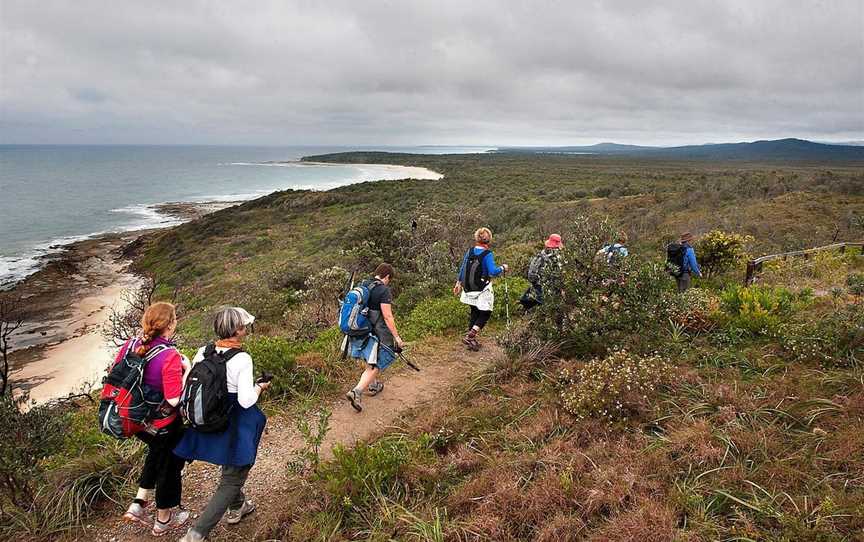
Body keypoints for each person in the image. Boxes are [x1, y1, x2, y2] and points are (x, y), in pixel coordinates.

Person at [176, 307, 268, 542]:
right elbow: (246, 400)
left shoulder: (202, 352)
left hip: (209, 415)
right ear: (237, 330)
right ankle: (196, 534)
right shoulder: (242, 358)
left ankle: (238, 506)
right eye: (243, 326)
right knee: (233, 476)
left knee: (229, 462)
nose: (245, 329)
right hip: (234, 419)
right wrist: (260, 387)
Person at [119, 302, 191, 537]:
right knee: (169, 465)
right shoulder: (169, 355)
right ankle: (163, 519)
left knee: (156, 454)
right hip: (161, 425)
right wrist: (188, 369)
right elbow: (173, 400)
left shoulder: (130, 345)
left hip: (136, 421)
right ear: (170, 324)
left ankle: (138, 503)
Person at [345, 263, 403, 413]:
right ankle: (356, 391)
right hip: (377, 331)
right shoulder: (383, 290)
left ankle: (373, 384)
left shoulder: (364, 284)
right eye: (390, 279)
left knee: (369, 358)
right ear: (387, 276)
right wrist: (396, 337)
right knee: (376, 363)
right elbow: (388, 316)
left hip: (362, 329)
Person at [454, 227, 508, 351]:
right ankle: (470, 335)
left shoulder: (470, 251)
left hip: (468, 288)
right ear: (489, 240)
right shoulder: (487, 254)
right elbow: (492, 272)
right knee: (485, 312)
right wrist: (503, 268)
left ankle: (471, 340)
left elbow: (463, 267)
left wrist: (458, 283)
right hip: (481, 288)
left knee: (474, 312)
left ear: (477, 238)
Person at [520, 233, 563, 310]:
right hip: (546, 285)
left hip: (535, 283)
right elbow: (560, 272)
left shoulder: (543, 252)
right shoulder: (556, 256)